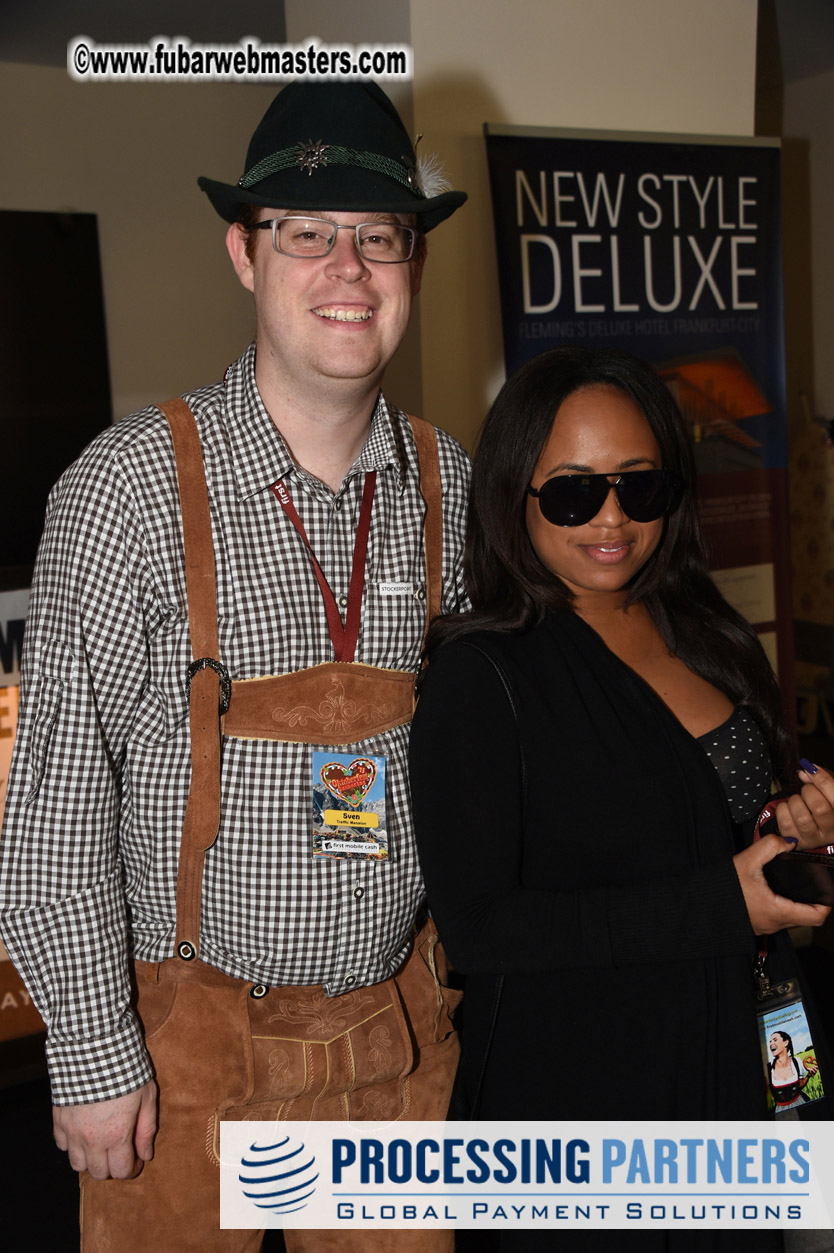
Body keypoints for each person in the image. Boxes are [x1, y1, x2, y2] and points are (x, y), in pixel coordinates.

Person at [0, 81, 470, 1253]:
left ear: (412, 264)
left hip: (390, 1050)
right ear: (243, 253)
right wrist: (95, 1056)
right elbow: (54, 805)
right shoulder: (125, 491)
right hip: (181, 1054)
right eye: (305, 233)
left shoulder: (451, 486)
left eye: (379, 235)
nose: (347, 268)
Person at [409, 346, 834, 1252]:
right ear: (515, 495)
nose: (611, 519)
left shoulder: (703, 625)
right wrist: (723, 903)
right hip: (585, 1102)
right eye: (572, 492)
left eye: (639, 488)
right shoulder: (482, 677)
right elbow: (483, 928)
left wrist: (803, 832)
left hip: (734, 1057)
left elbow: (732, 824)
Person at [769, 1030, 819, 1111]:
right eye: (770, 1041)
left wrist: (809, 1075)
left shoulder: (797, 1062)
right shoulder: (769, 1068)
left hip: (800, 1103)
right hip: (781, 1110)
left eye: (775, 1040)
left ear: (786, 1043)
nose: (771, 1043)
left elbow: (799, 1085)